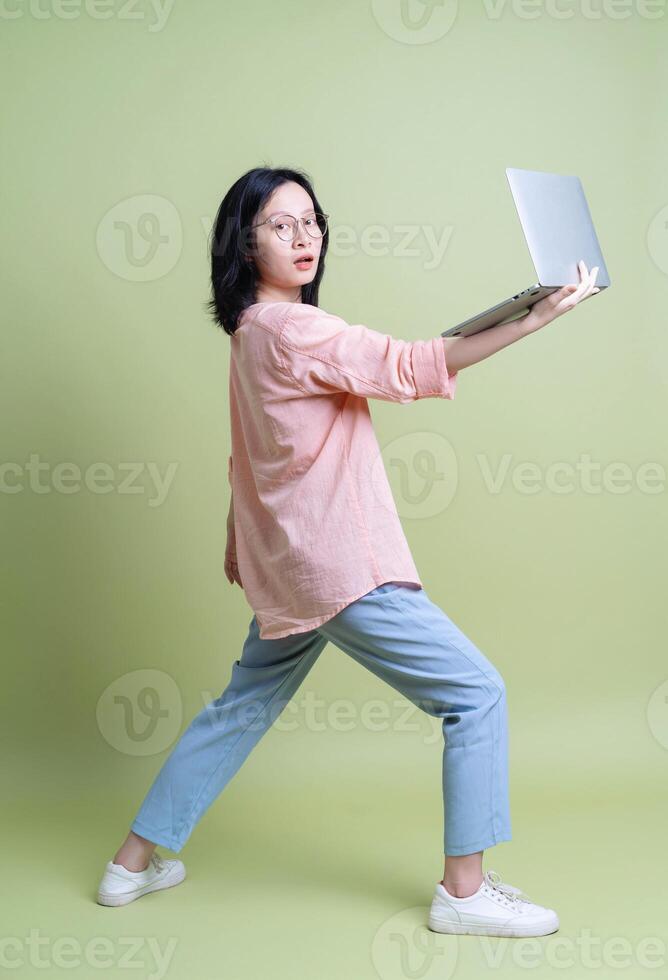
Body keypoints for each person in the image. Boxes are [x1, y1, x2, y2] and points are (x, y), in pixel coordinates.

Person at [96, 166, 599, 935]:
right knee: (475, 694)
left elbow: (250, 455)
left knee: (240, 708)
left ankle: (130, 865)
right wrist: (531, 320)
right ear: (244, 242)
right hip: (341, 568)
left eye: (311, 221)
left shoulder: (251, 333)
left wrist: (242, 546)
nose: (304, 238)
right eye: (279, 226)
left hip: (290, 570)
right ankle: (463, 894)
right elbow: (408, 365)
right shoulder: (296, 330)